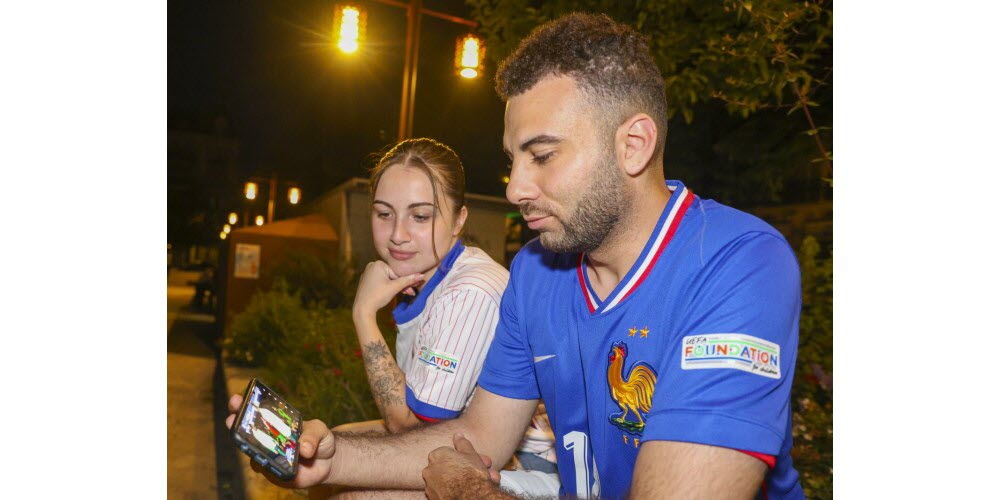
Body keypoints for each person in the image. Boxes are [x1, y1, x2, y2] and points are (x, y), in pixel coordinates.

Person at [228, 13, 804, 499]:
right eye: (512, 160)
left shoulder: (741, 265)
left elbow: (470, 472)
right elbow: (478, 437)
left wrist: (472, 492)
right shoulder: (536, 271)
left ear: (633, 145)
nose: (513, 189)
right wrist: (329, 462)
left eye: (542, 156)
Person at [321, 138, 557, 497]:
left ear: (459, 220)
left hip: (531, 462)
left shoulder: (469, 292)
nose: (398, 235)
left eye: (420, 216)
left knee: (351, 493)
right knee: (332, 448)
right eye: (384, 213)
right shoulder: (428, 277)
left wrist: (364, 314)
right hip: (469, 440)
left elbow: (409, 425)